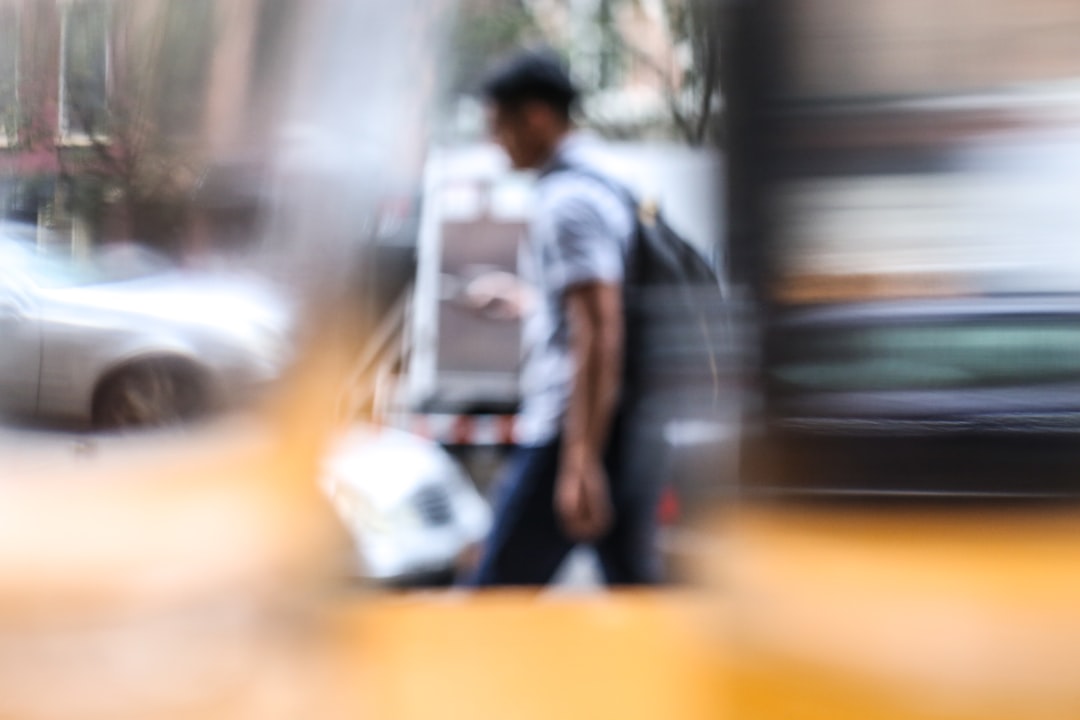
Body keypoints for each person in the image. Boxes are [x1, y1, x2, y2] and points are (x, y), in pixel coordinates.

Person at [468, 49, 668, 586]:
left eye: (498, 126)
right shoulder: (608, 179)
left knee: (493, 599)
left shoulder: (566, 200)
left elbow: (599, 329)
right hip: (621, 421)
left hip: (573, 427)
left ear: (535, 117)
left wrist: (580, 460)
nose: (495, 142)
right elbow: (597, 309)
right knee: (637, 592)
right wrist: (528, 301)